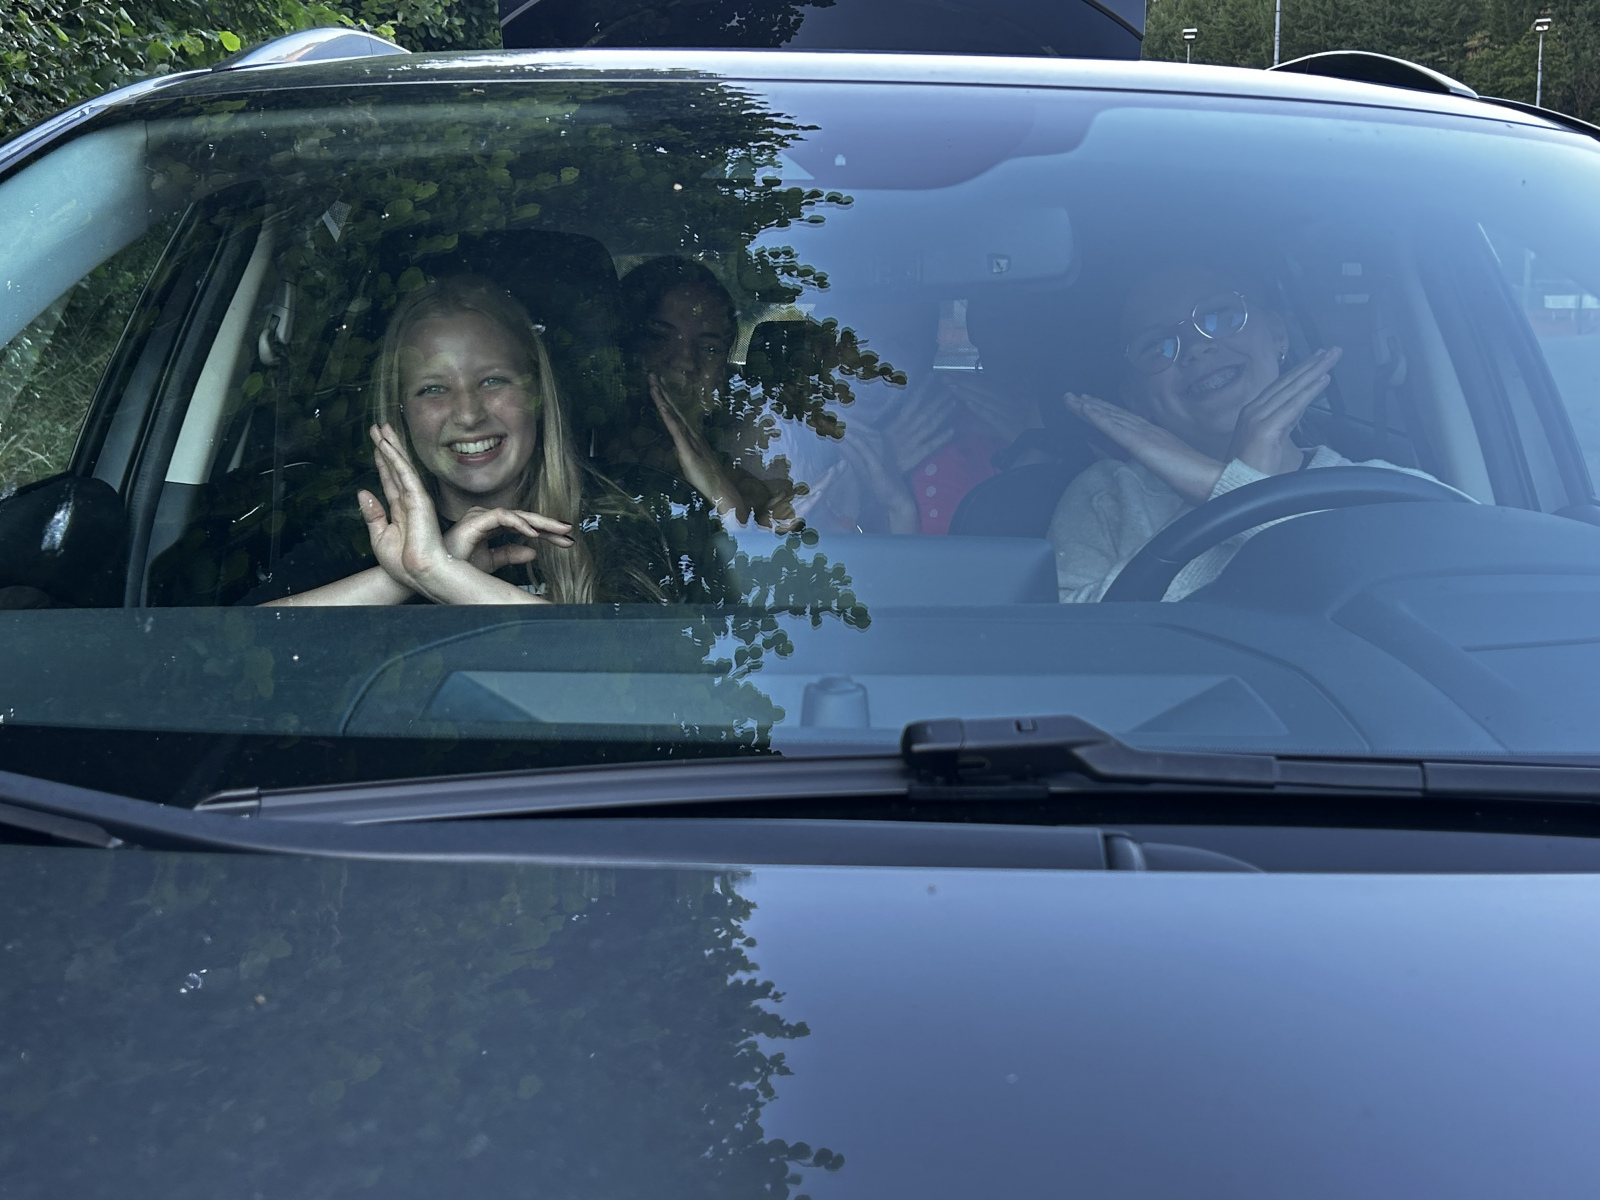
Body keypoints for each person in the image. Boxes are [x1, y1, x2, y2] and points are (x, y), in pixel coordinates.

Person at [1049, 264, 1447, 603]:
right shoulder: (1107, 497)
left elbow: (1455, 583)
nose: (1195, 347)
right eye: (1157, 345)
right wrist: (1232, 492)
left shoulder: (1388, 489)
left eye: (1218, 317)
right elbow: (1071, 641)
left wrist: (1224, 488)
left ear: (1277, 335)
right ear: (1135, 397)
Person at [253, 275, 593, 606]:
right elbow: (247, 636)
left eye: (493, 381)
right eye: (433, 389)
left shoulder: (604, 513)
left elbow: (616, 650)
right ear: (401, 410)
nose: (468, 415)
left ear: (536, 392)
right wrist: (414, 570)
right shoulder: (373, 526)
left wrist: (442, 574)